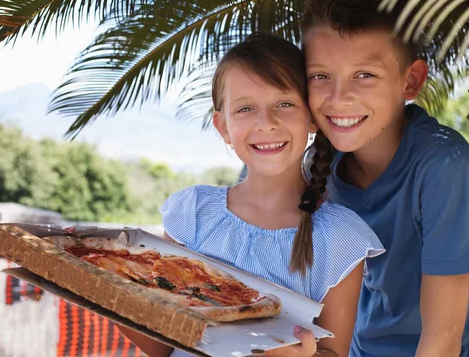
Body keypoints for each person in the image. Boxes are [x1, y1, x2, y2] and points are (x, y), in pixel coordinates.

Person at [119, 33, 384, 357]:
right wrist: (100, 292)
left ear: (312, 116)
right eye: (245, 108)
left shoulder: (340, 238)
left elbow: (332, 352)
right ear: (223, 127)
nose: (266, 123)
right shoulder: (193, 214)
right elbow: (162, 345)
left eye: (284, 104)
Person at [301, 0, 469, 357]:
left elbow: (442, 342)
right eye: (321, 76)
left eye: (365, 75)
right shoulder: (320, 166)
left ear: (410, 81)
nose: (338, 98)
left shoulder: (445, 170)